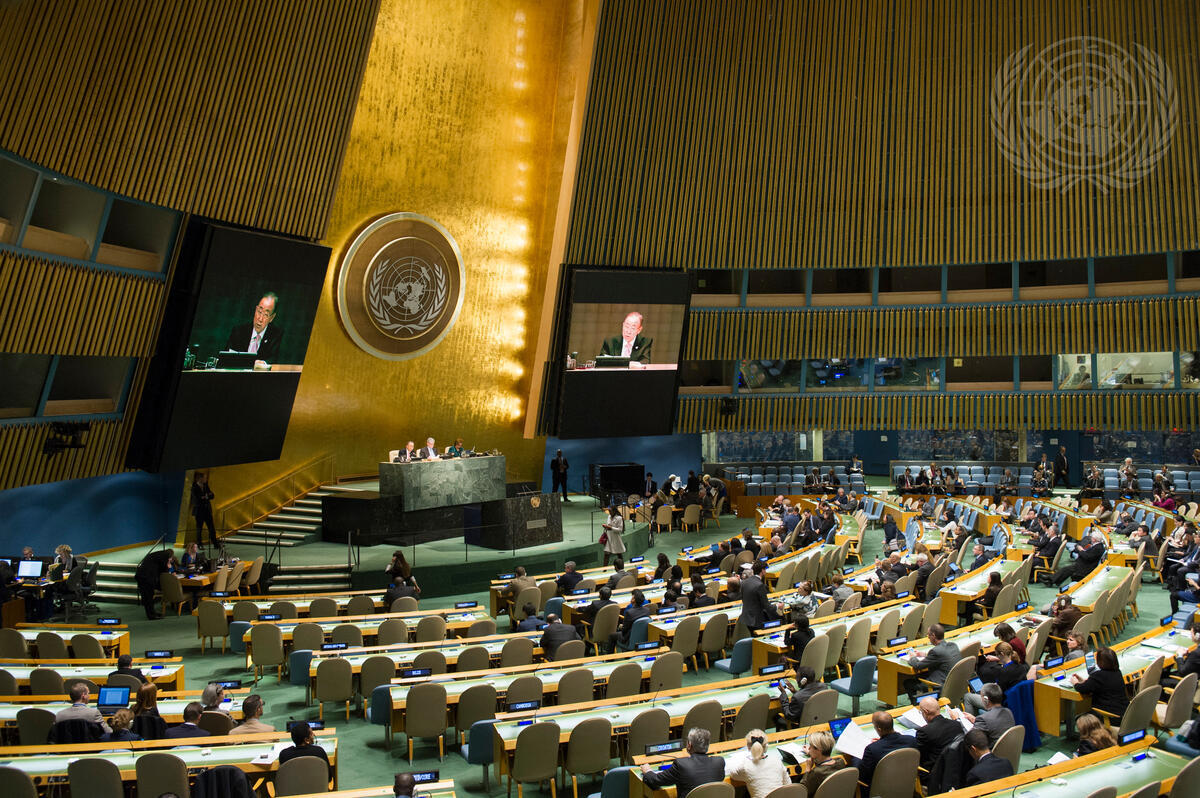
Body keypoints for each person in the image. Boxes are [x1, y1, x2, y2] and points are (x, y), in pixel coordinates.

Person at [639, 727, 724, 798]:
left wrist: (648, 771)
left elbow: (657, 780)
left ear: (689, 745)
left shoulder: (682, 765)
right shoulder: (719, 762)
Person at [857, 712, 919, 787]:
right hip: (906, 786)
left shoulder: (872, 749)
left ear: (879, 729)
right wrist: (880, 742)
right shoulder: (911, 740)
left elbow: (862, 776)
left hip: (879, 791)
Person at [725, 729, 790, 798]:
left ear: (748, 747)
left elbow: (733, 775)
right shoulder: (777, 760)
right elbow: (788, 785)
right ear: (766, 746)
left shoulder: (745, 766)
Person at [904, 624, 960, 703]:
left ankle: (917, 707)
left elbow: (917, 666)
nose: (928, 637)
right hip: (953, 682)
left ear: (933, 635)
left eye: (928, 635)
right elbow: (941, 656)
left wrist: (912, 657)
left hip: (939, 685)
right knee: (922, 675)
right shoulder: (953, 645)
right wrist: (925, 654)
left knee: (908, 683)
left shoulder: (935, 651)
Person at [1071, 647, 1129, 719]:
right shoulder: (1117, 672)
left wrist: (1075, 683)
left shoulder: (1099, 675)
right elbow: (1096, 684)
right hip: (1125, 714)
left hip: (1109, 716)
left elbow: (1082, 689)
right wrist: (1084, 681)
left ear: (1101, 661)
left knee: (1080, 718)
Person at [225, 292, 283, 363]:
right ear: (256, 310)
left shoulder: (276, 336)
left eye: (266, 314)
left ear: (272, 318)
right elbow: (226, 357)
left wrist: (262, 365)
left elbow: (274, 361)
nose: (260, 319)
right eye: (259, 311)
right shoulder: (239, 332)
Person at [914, 696, 963, 778]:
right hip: (958, 767)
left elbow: (918, 755)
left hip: (935, 773)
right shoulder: (956, 725)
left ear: (926, 711)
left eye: (921, 712)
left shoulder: (924, 732)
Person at [134, 548, 176, 620]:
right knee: (148, 597)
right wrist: (168, 567)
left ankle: (153, 613)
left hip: (143, 576)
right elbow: (163, 571)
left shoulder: (158, 555)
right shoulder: (164, 556)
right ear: (170, 556)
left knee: (149, 596)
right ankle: (151, 616)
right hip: (145, 578)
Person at [800, 730, 845, 795]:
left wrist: (808, 768)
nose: (809, 748)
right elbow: (823, 763)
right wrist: (811, 753)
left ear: (818, 750)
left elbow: (803, 791)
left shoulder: (816, 772)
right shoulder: (840, 762)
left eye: (811, 746)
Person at [740, 560, 774, 632]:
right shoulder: (760, 585)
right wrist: (777, 606)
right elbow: (766, 606)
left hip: (746, 618)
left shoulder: (744, 582)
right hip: (756, 619)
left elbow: (743, 599)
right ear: (762, 571)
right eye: (765, 569)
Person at [191, 472, 217, 549]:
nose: (205, 479)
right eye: (204, 478)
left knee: (211, 527)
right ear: (200, 478)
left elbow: (212, 495)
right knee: (199, 528)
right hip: (199, 511)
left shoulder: (206, 485)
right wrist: (206, 497)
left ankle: (215, 543)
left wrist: (206, 497)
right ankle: (199, 544)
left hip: (207, 510)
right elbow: (196, 499)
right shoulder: (194, 487)